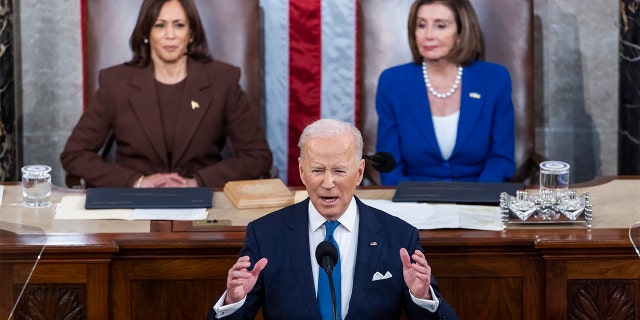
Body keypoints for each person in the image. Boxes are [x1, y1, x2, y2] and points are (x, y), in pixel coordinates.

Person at [206, 118, 457, 319]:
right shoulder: (266, 234)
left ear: (359, 173)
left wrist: (422, 296)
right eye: (317, 170)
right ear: (302, 172)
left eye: (339, 171)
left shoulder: (399, 236)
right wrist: (233, 300)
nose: (328, 183)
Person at [60, 0, 272, 188]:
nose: (170, 35)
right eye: (159, 25)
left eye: (179, 25)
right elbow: (74, 155)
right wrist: (136, 181)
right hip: (134, 204)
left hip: (203, 204)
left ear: (191, 32)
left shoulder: (223, 80)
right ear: (146, 32)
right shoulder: (115, 83)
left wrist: (197, 181)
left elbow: (258, 156)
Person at [375, 0, 515, 185]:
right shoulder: (392, 82)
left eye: (440, 26)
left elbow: (501, 159)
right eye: (421, 25)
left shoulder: (495, 79)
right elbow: (390, 165)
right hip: (413, 200)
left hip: (479, 198)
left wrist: (477, 201)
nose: (428, 35)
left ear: (460, 33)